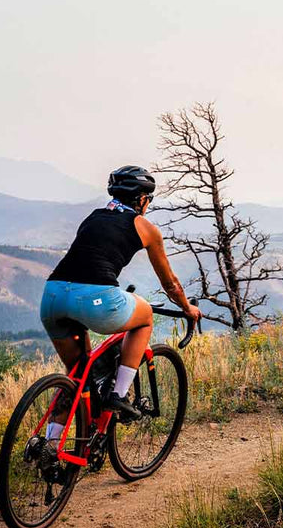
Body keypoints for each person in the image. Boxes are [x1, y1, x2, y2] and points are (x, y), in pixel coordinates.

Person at [40, 166, 202, 442]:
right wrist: (188, 308)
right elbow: (171, 284)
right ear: (142, 199)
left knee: (78, 377)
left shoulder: (93, 217)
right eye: (148, 200)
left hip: (52, 297)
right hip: (96, 299)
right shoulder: (146, 228)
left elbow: (92, 256)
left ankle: (51, 447)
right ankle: (119, 394)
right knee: (145, 316)